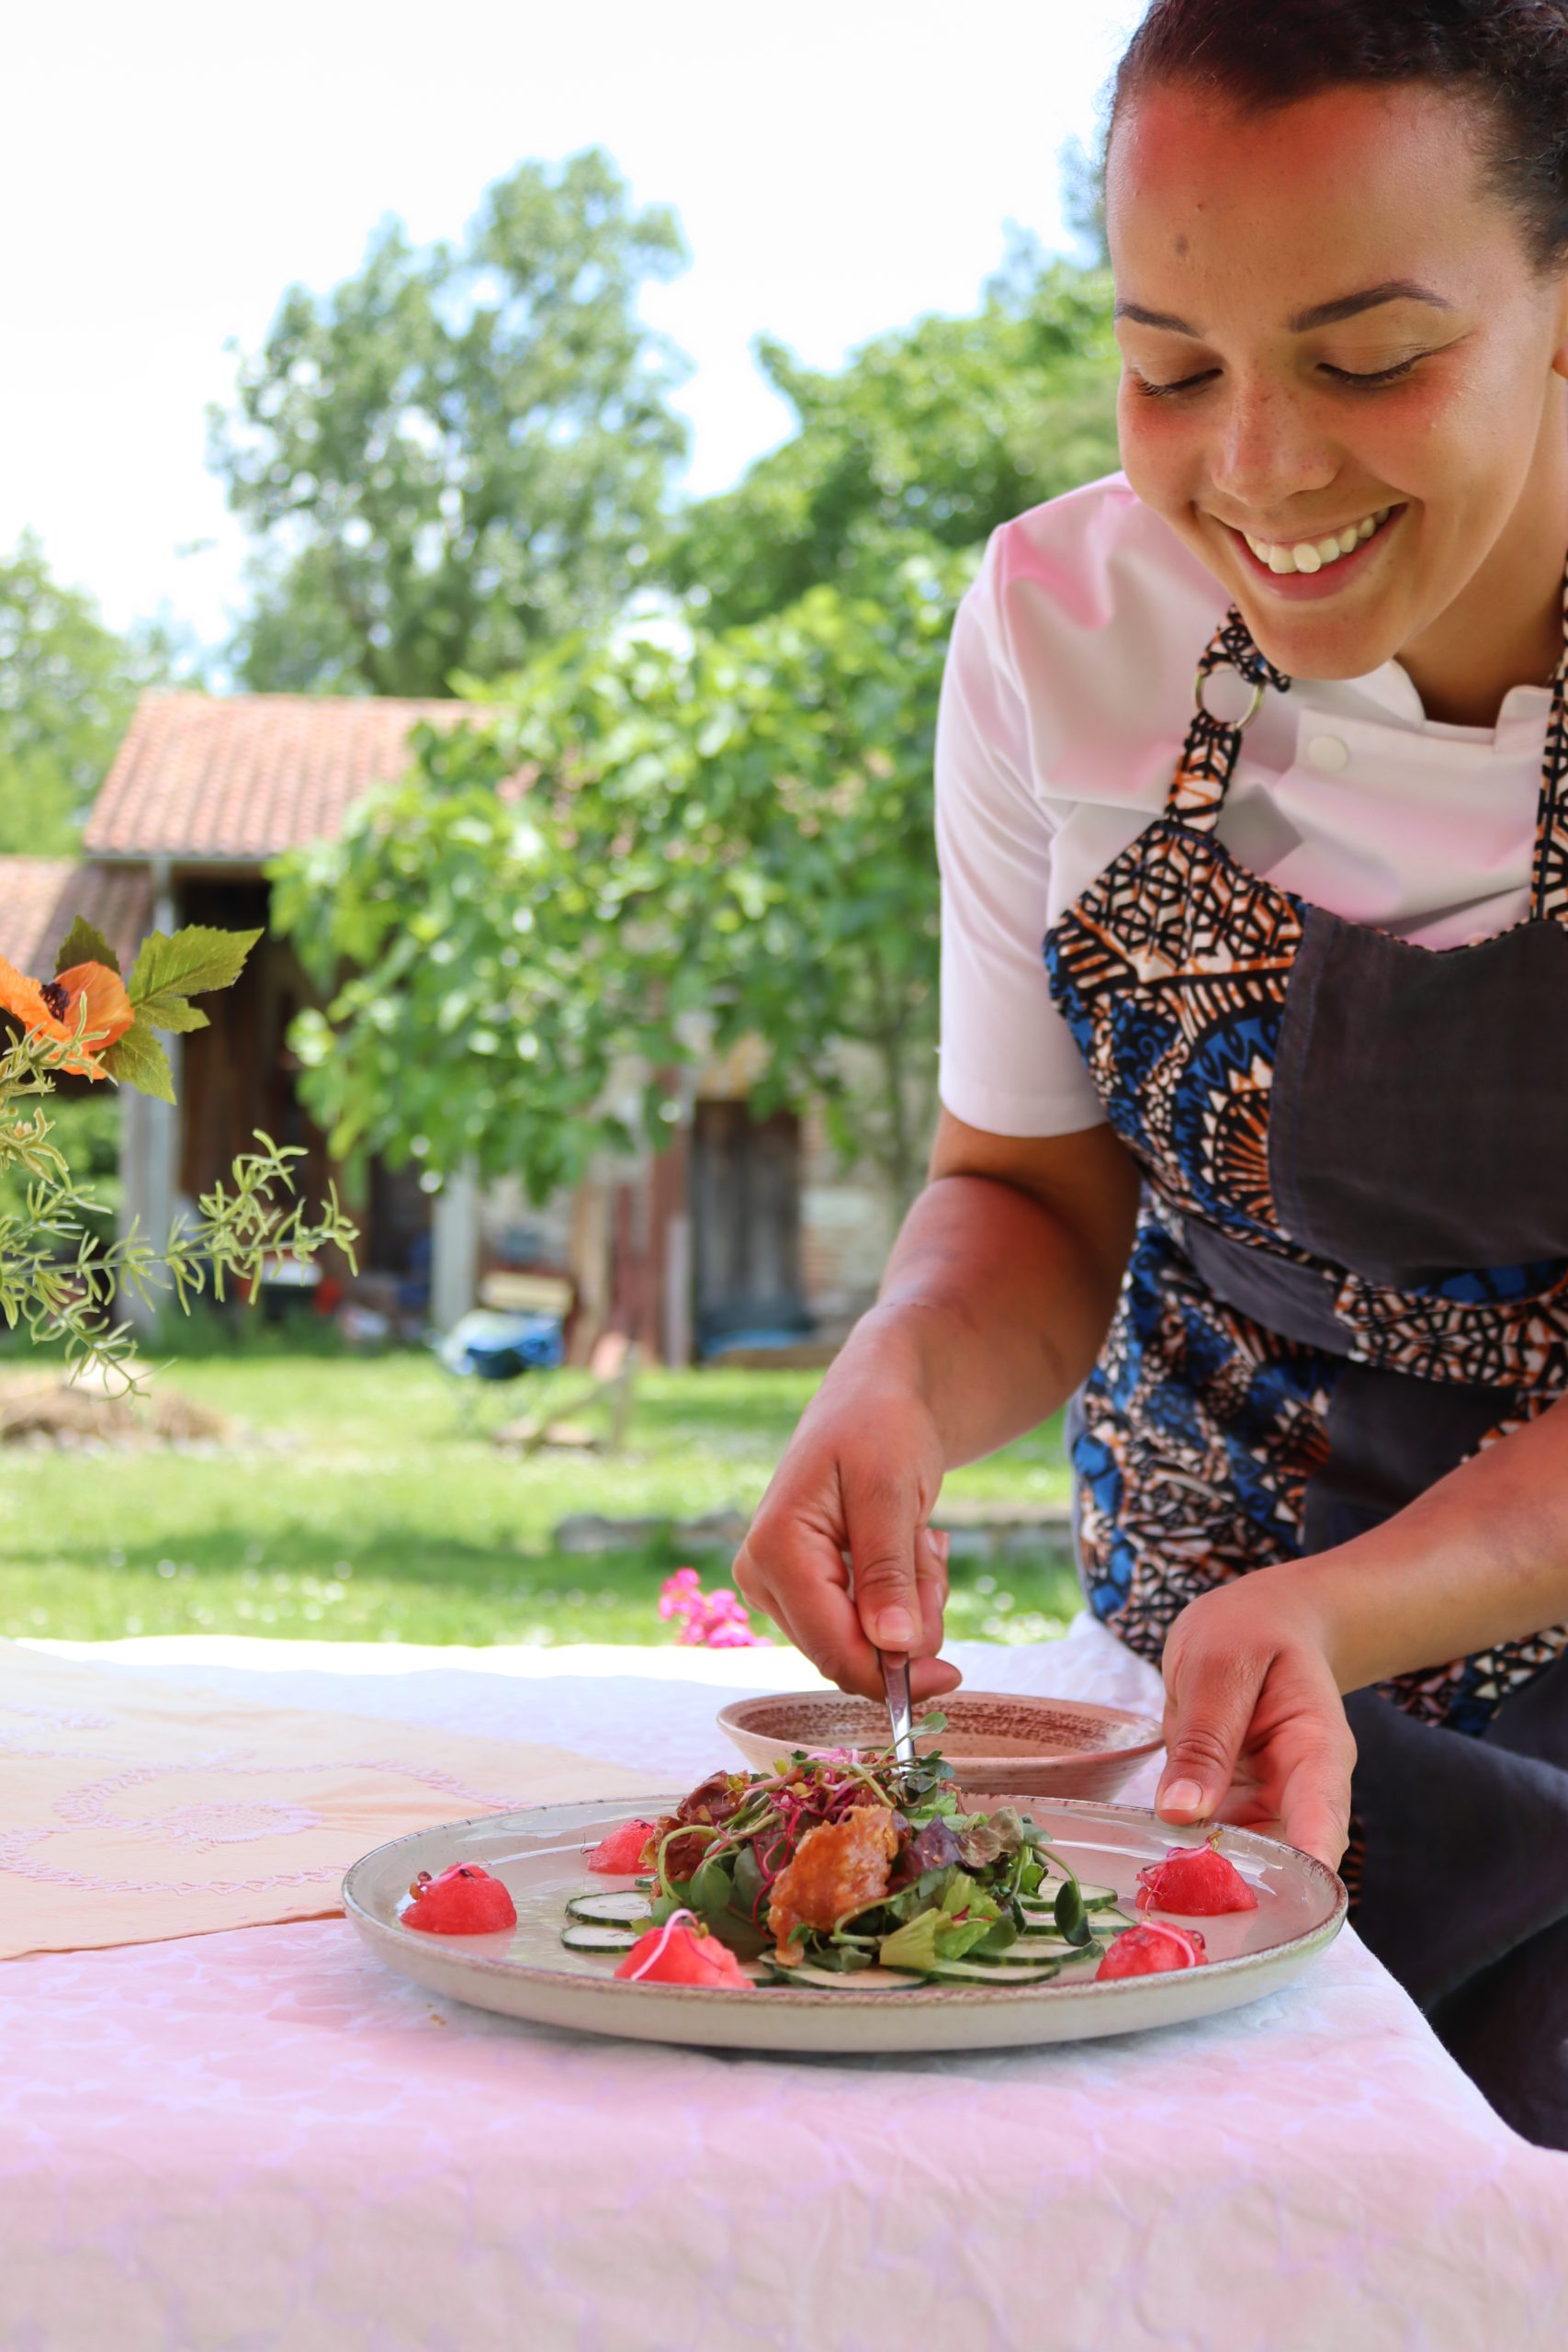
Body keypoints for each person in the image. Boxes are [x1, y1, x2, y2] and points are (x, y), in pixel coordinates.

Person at [734, 0, 1568, 2150]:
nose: (1257, 469)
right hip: (1194, 1741)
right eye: (1171, 367)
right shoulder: (1057, 621)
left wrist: (1353, 1607)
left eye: (1368, 357)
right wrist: (901, 1375)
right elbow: (1027, 1186)